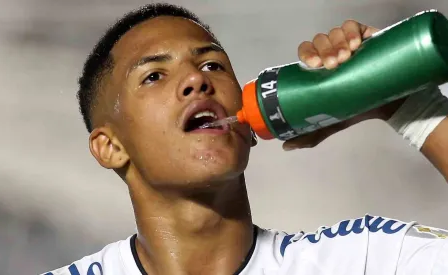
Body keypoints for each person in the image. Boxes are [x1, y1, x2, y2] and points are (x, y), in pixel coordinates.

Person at [42, 3, 448, 275]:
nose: (197, 80)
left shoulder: (362, 259)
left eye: (212, 64)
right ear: (110, 147)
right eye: (154, 76)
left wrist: (407, 107)